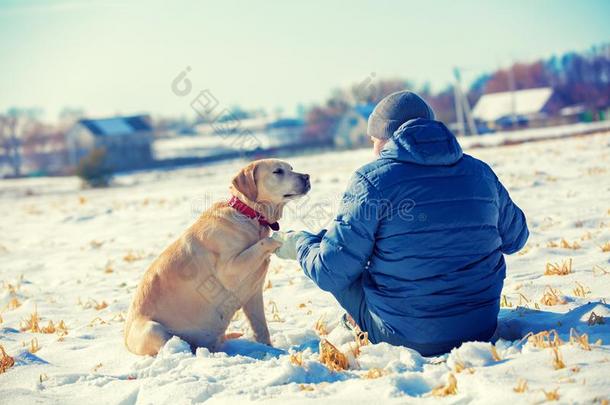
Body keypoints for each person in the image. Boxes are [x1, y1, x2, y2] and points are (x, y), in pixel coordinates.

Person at [273, 91, 528, 356]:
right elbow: (516, 238)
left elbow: (331, 271)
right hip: (480, 329)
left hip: (405, 337)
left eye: (373, 140)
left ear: (385, 138)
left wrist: (299, 244)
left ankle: (359, 325)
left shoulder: (372, 180)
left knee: (340, 260)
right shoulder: (480, 172)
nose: (373, 149)